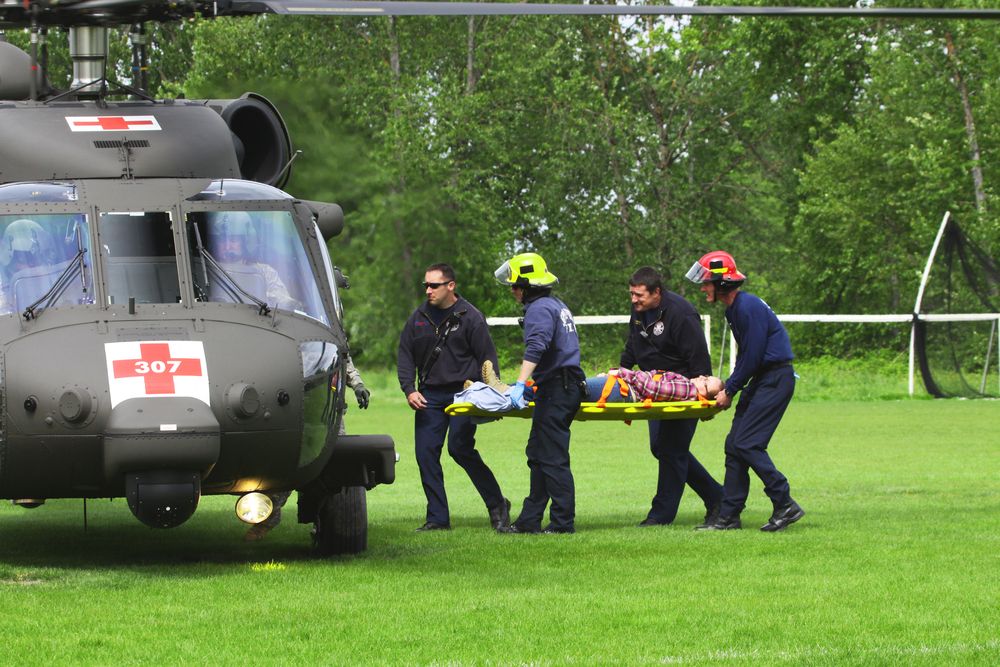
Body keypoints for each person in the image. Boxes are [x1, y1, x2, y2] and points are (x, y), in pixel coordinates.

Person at [245, 267, 370, 542]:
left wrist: (357, 383)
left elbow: (341, 353)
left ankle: (325, 520)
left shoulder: (328, 316)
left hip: (327, 402)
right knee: (293, 459)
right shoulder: (297, 313)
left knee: (336, 464)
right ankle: (269, 514)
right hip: (301, 398)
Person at [686, 250, 804, 532]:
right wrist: (729, 385)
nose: (703, 288)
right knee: (735, 445)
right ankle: (728, 517)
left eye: (707, 282)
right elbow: (749, 359)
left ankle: (784, 501)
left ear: (722, 283)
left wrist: (730, 390)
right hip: (763, 380)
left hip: (774, 380)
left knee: (747, 444)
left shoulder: (746, 307)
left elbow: (753, 356)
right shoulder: (737, 309)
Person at [397, 263, 510, 532]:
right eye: (425, 285)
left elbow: (487, 359)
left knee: (460, 449)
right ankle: (437, 518)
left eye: (434, 285)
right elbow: (405, 354)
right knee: (426, 454)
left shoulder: (470, 317)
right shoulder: (418, 317)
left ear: (451, 286)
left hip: (464, 394)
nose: (428, 290)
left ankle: (498, 505)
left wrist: (489, 395)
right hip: (429, 396)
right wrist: (409, 389)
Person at [620, 266, 724, 528]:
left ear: (657, 292)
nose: (634, 300)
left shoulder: (682, 313)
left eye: (639, 295)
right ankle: (719, 497)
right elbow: (633, 343)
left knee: (672, 449)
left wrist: (704, 404)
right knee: (662, 448)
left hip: (683, 391)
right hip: (653, 390)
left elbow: (699, 357)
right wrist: (621, 372)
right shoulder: (639, 310)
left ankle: (660, 516)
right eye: (632, 294)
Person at [494, 252, 586, 535]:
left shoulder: (538, 309)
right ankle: (529, 520)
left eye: (515, 285)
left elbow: (537, 346)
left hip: (560, 387)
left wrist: (521, 383)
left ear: (527, 285)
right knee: (538, 453)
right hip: (561, 385)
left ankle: (562, 523)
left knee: (553, 457)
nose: (512, 290)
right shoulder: (555, 304)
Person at [206, 211, 298, 309]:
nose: (228, 246)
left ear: (246, 241)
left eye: (233, 240)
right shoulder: (204, 268)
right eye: (222, 241)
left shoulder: (265, 272)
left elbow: (282, 303)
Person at [585, 369, 724, 403]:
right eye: (706, 377)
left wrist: (622, 372)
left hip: (623, 389)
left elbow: (651, 388)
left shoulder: (688, 389)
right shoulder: (688, 387)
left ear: (705, 396)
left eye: (705, 383)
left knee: (570, 388)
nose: (701, 378)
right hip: (621, 387)